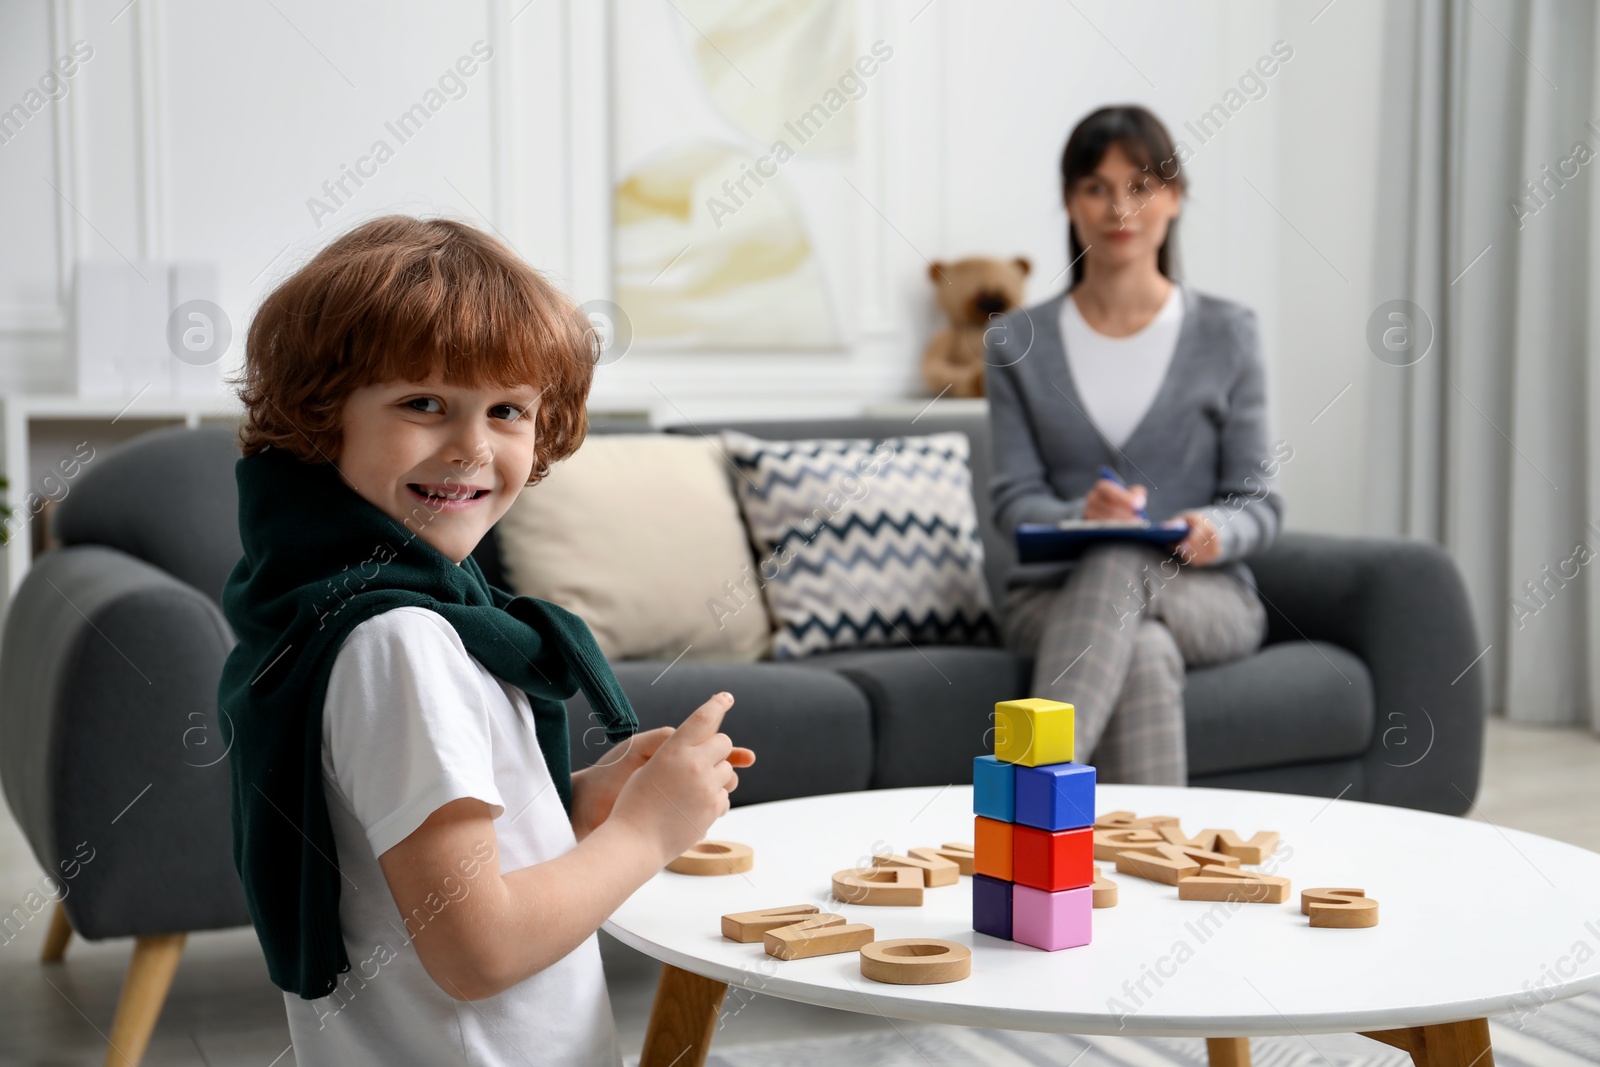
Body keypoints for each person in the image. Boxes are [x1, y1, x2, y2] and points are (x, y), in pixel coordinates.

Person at [218, 214, 755, 1066]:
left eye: (507, 409)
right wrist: (646, 833)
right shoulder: (400, 640)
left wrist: (578, 803)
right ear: (322, 416)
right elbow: (478, 949)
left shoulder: (374, 604)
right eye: (423, 402)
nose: (471, 445)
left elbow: (404, 856)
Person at [985, 105, 1286, 785]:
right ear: (1070, 201)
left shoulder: (1228, 334)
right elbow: (1011, 501)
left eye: (1142, 185)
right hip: (1053, 598)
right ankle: (1154, 873)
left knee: (1126, 560)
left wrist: (1214, 528)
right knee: (1142, 649)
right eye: (1096, 187)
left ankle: (1022, 798)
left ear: (1175, 198)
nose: (1120, 206)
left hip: (1205, 594)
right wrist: (1077, 515)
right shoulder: (1015, 342)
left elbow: (1260, 502)